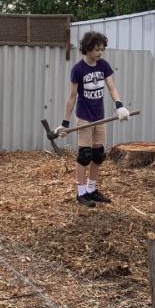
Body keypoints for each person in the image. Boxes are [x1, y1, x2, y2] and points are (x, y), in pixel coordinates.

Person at [56, 31, 129, 207]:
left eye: (102, 49)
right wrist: (65, 124)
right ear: (87, 49)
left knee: (97, 155)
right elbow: (72, 97)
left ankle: (92, 189)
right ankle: (80, 193)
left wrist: (119, 105)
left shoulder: (103, 66)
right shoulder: (78, 70)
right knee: (84, 156)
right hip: (85, 118)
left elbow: (112, 88)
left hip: (100, 117)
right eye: (97, 49)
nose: (100, 53)